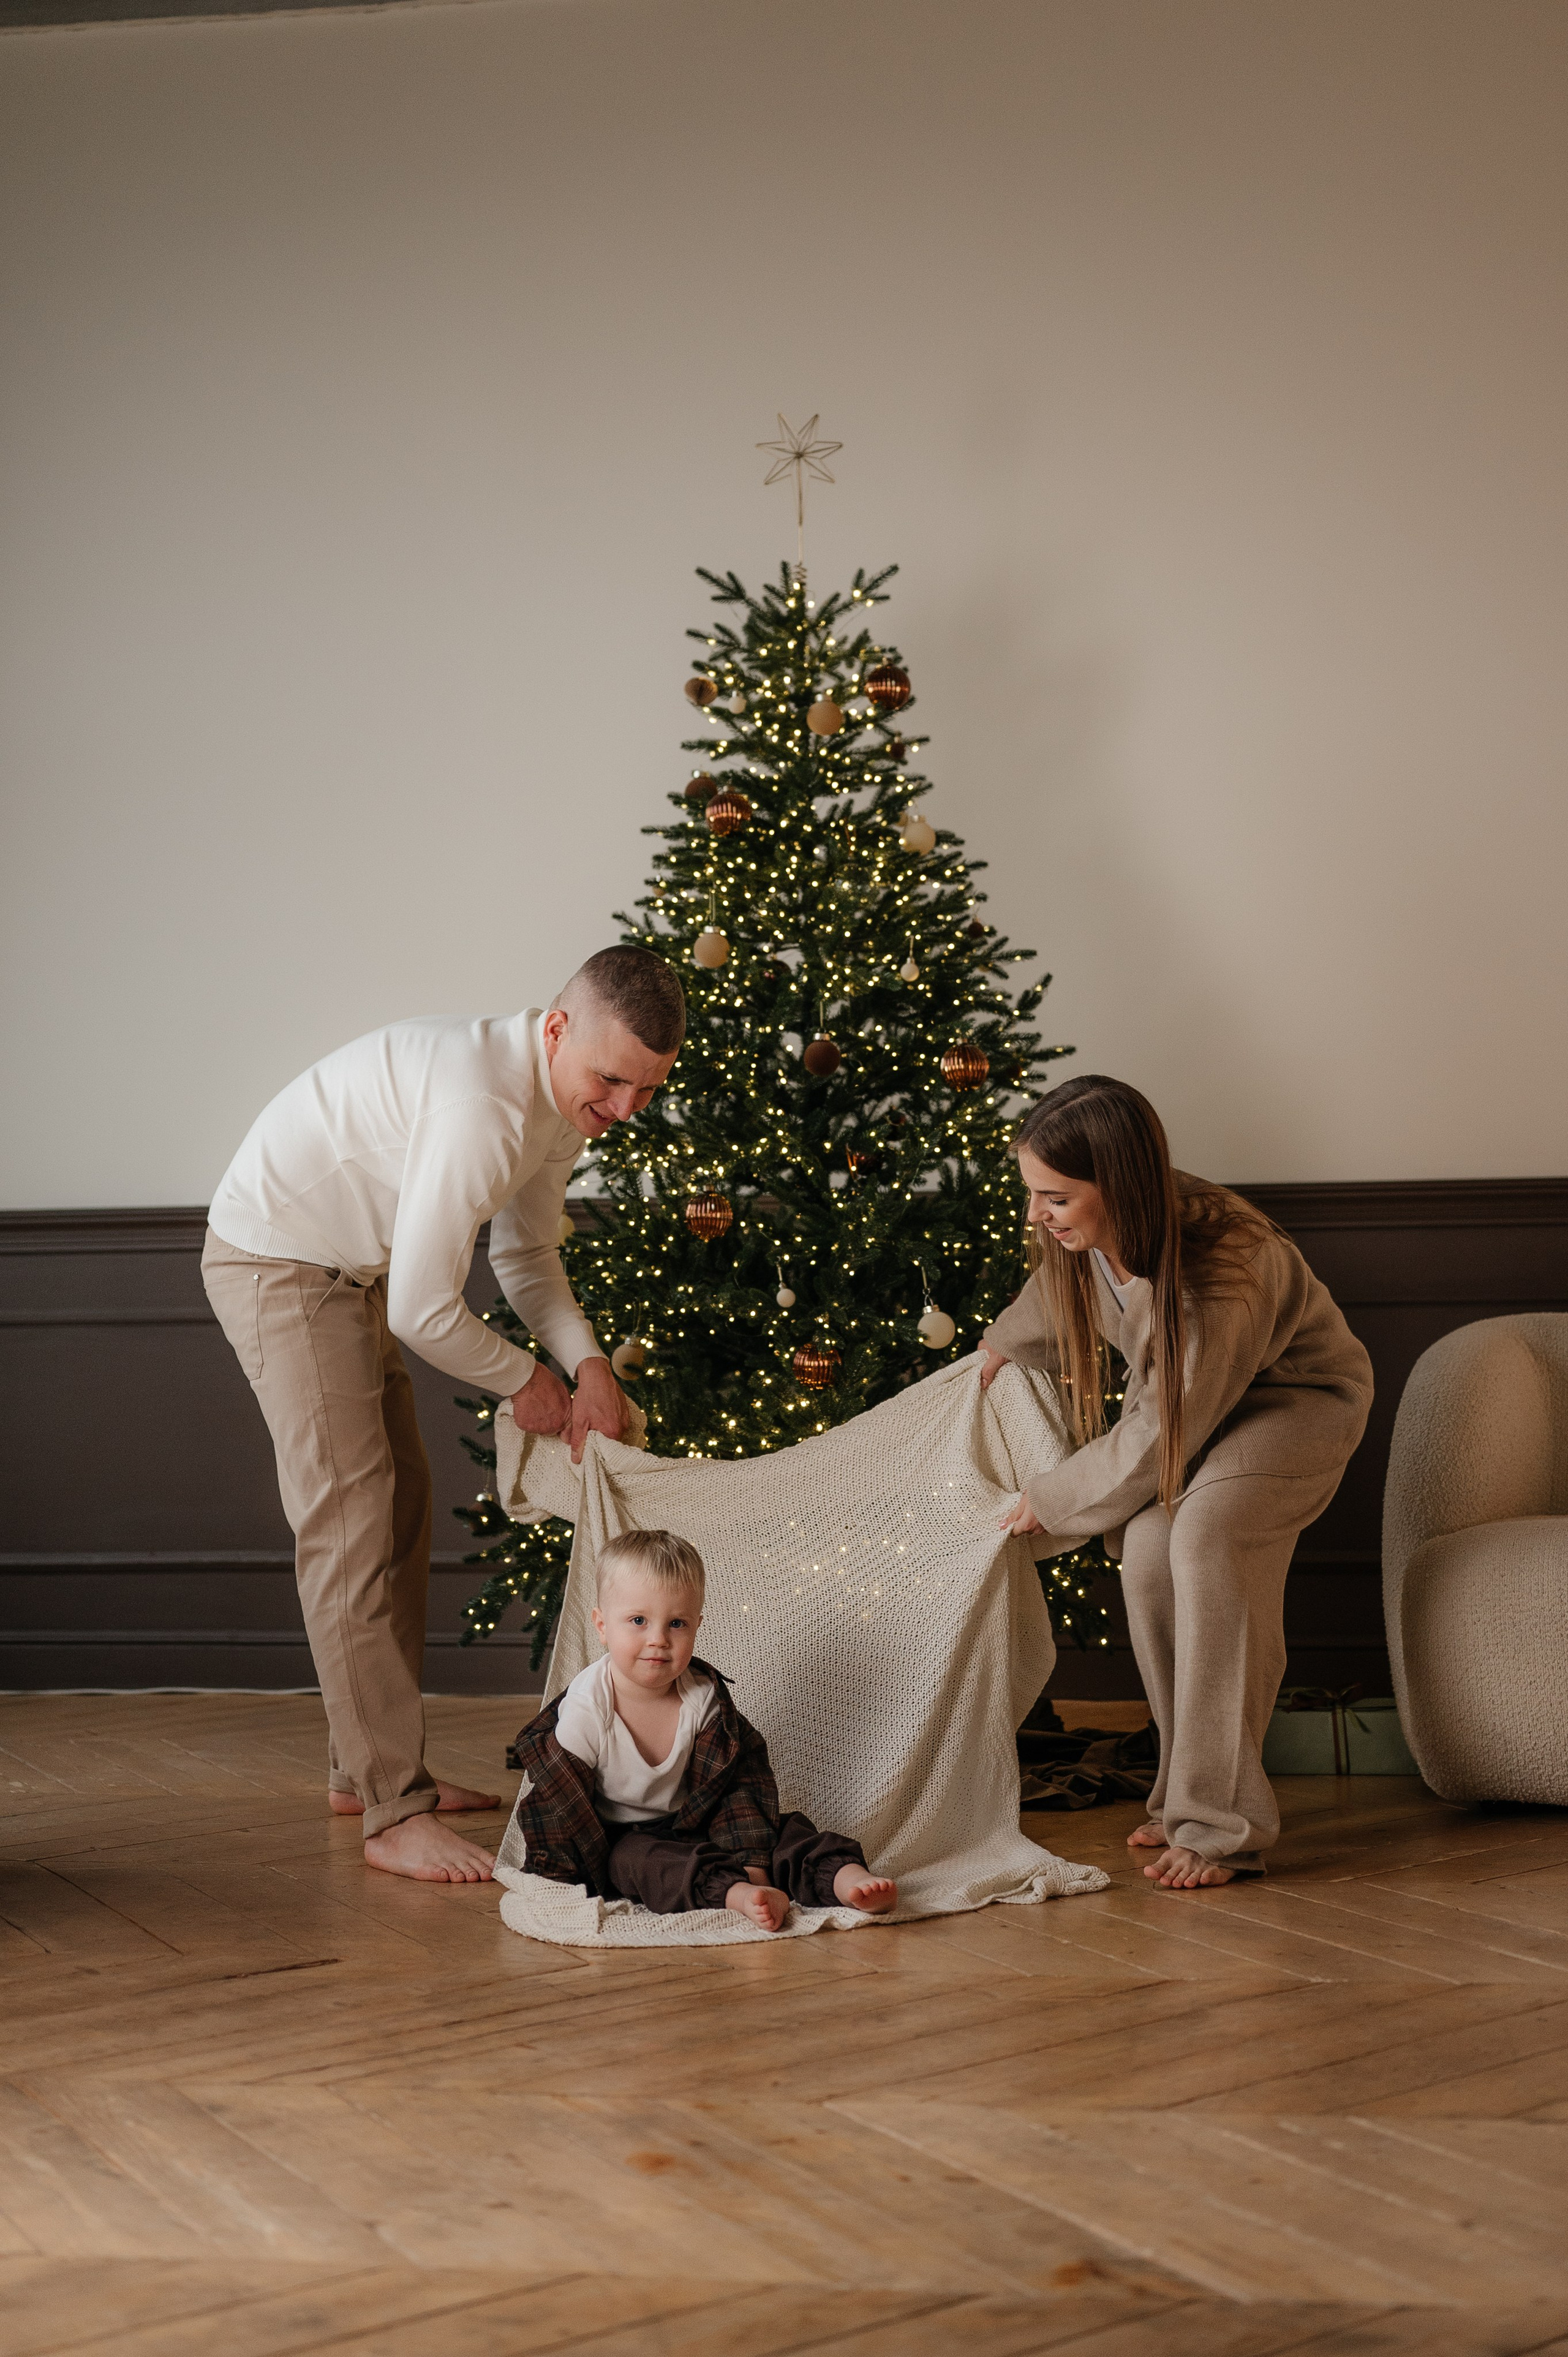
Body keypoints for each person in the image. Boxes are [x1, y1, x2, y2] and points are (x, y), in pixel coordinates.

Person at [202, 945, 685, 1885]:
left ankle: (362, 1773)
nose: (626, 1107)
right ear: (557, 1030)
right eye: (612, 1080)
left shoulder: (562, 1100)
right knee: (351, 1522)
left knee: (403, 1504)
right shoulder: (484, 1106)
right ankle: (393, 1808)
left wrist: (587, 1366)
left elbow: (526, 1256)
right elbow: (423, 1312)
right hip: (278, 1262)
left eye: (648, 1089)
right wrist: (527, 1382)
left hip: (351, 1271)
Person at [980, 1075, 1373, 1889]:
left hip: (1295, 1406)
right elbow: (1052, 1302)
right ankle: (1179, 1792)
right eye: (1032, 1193)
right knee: (1151, 1554)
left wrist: (1050, 1500)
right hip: (1197, 1411)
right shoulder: (1092, 1233)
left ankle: (1221, 1826)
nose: (1036, 1215)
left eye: (1055, 1197)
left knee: (1204, 1541)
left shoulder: (1227, 1265)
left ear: (1116, 1185)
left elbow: (1165, 1426)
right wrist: (999, 1348)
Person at [509, 1529, 898, 1927]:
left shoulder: (703, 1699)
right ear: (602, 1625)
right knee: (642, 1861)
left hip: (702, 1820)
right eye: (638, 1621)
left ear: (697, 1625)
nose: (659, 1640)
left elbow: (742, 1783)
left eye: (676, 1623)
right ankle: (735, 1893)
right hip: (622, 1837)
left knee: (786, 1830)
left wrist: (753, 1863)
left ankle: (844, 1878)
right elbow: (558, 1804)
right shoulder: (588, 1708)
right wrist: (557, 1881)